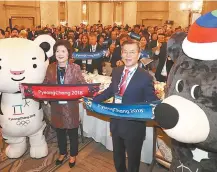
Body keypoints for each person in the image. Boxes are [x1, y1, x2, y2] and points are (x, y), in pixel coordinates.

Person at [93, 40, 158, 172]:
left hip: (134, 127)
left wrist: (163, 108)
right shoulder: (117, 71)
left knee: (133, 162)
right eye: (125, 52)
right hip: (116, 123)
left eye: (132, 52)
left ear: (139, 55)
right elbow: (110, 91)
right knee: (118, 158)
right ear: (121, 54)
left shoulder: (145, 77)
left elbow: (152, 101)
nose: (128, 55)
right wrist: (94, 100)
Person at [43, 40, 86, 168]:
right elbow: (45, 84)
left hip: (71, 105)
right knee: (60, 131)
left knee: (72, 132)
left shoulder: (75, 68)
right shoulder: (50, 67)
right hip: (56, 105)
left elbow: (82, 84)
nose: (60, 54)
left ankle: (73, 154)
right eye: (57, 51)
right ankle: (62, 152)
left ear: (68, 53)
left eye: (63, 51)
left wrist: (82, 92)